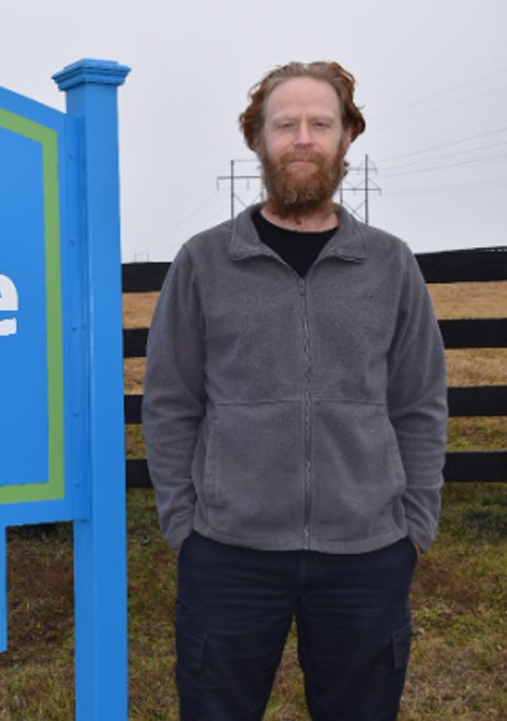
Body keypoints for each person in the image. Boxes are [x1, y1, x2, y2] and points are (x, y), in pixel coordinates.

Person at [142, 61, 447, 721]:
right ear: (257, 138)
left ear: (347, 136)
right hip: (228, 555)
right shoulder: (203, 262)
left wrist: (415, 527)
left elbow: (419, 402)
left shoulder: (391, 263)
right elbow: (169, 402)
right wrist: (185, 526)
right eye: (285, 125)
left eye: (320, 124)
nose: (303, 138)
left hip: (368, 555)